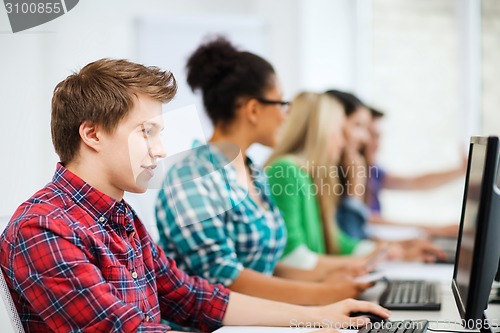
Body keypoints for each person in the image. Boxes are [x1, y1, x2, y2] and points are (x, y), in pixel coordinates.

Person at [0, 58, 391, 333]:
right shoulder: (45, 228)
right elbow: (124, 329)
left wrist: (317, 316)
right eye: (146, 131)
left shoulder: (121, 218)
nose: (161, 149)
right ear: (93, 134)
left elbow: (192, 296)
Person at [155, 37, 373, 307]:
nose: (285, 115)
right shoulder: (191, 178)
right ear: (254, 109)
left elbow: (268, 268)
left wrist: (328, 277)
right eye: (280, 103)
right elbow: (227, 279)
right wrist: (326, 294)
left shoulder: (254, 172)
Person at [265, 92, 382, 273]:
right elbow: (292, 257)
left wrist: (384, 251)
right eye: (339, 133)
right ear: (323, 132)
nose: (343, 143)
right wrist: (363, 261)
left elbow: (337, 242)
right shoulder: (286, 170)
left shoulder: (308, 175)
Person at [324, 90, 447, 262]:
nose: (367, 139)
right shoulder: (326, 175)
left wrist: (399, 246)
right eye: (359, 126)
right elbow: (348, 238)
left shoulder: (365, 170)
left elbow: (356, 236)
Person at [364, 107, 464, 238]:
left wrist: (462, 170)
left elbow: (414, 182)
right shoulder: (345, 172)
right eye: (372, 135)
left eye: (379, 136)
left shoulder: (372, 170)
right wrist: (435, 229)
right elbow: (366, 220)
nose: (377, 144)